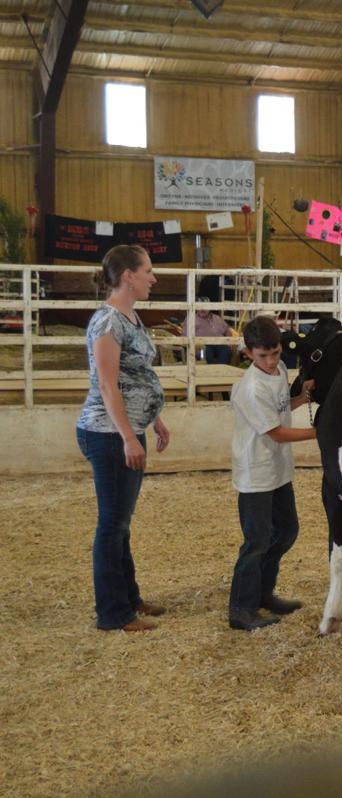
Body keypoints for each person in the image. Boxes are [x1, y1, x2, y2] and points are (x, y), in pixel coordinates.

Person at [77, 244, 170, 632]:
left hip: (125, 431)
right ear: (128, 276)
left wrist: (155, 419)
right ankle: (113, 613)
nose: (153, 277)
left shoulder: (129, 317)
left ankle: (129, 598)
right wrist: (128, 437)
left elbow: (137, 377)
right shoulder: (108, 322)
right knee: (112, 524)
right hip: (108, 433)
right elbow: (108, 384)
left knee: (121, 523)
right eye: (147, 271)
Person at [228, 315, 316, 631]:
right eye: (263, 355)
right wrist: (318, 432)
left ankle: (263, 592)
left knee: (287, 531)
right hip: (256, 472)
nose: (271, 360)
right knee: (256, 541)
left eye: (276, 353)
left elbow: (280, 408)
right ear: (249, 353)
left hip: (277, 468)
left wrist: (302, 397)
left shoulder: (278, 371)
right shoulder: (250, 388)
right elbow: (276, 432)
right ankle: (241, 608)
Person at [192, 298, 235, 365]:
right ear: (196, 308)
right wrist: (195, 345)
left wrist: (229, 341)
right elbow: (185, 335)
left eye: (205, 307)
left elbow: (227, 330)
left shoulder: (217, 318)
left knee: (227, 351)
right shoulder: (191, 319)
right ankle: (212, 372)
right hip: (201, 347)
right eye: (200, 306)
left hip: (219, 344)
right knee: (204, 355)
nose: (203, 309)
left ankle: (220, 372)